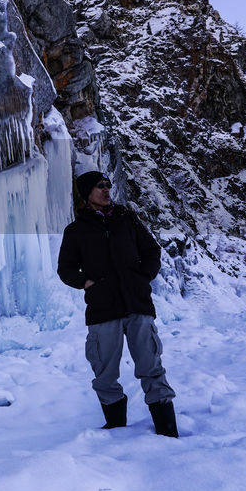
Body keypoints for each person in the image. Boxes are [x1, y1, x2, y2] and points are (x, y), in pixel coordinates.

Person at [56, 170, 179, 437]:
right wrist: (87, 283)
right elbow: (65, 270)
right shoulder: (76, 231)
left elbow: (152, 250)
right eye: (100, 186)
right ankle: (116, 433)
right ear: (87, 193)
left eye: (108, 185)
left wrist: (143, 277)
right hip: (103, 310)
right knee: (105, 373)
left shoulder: (127, 220)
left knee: (151, 368)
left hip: (137, 305)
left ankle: (168, 433)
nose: (106, 190)